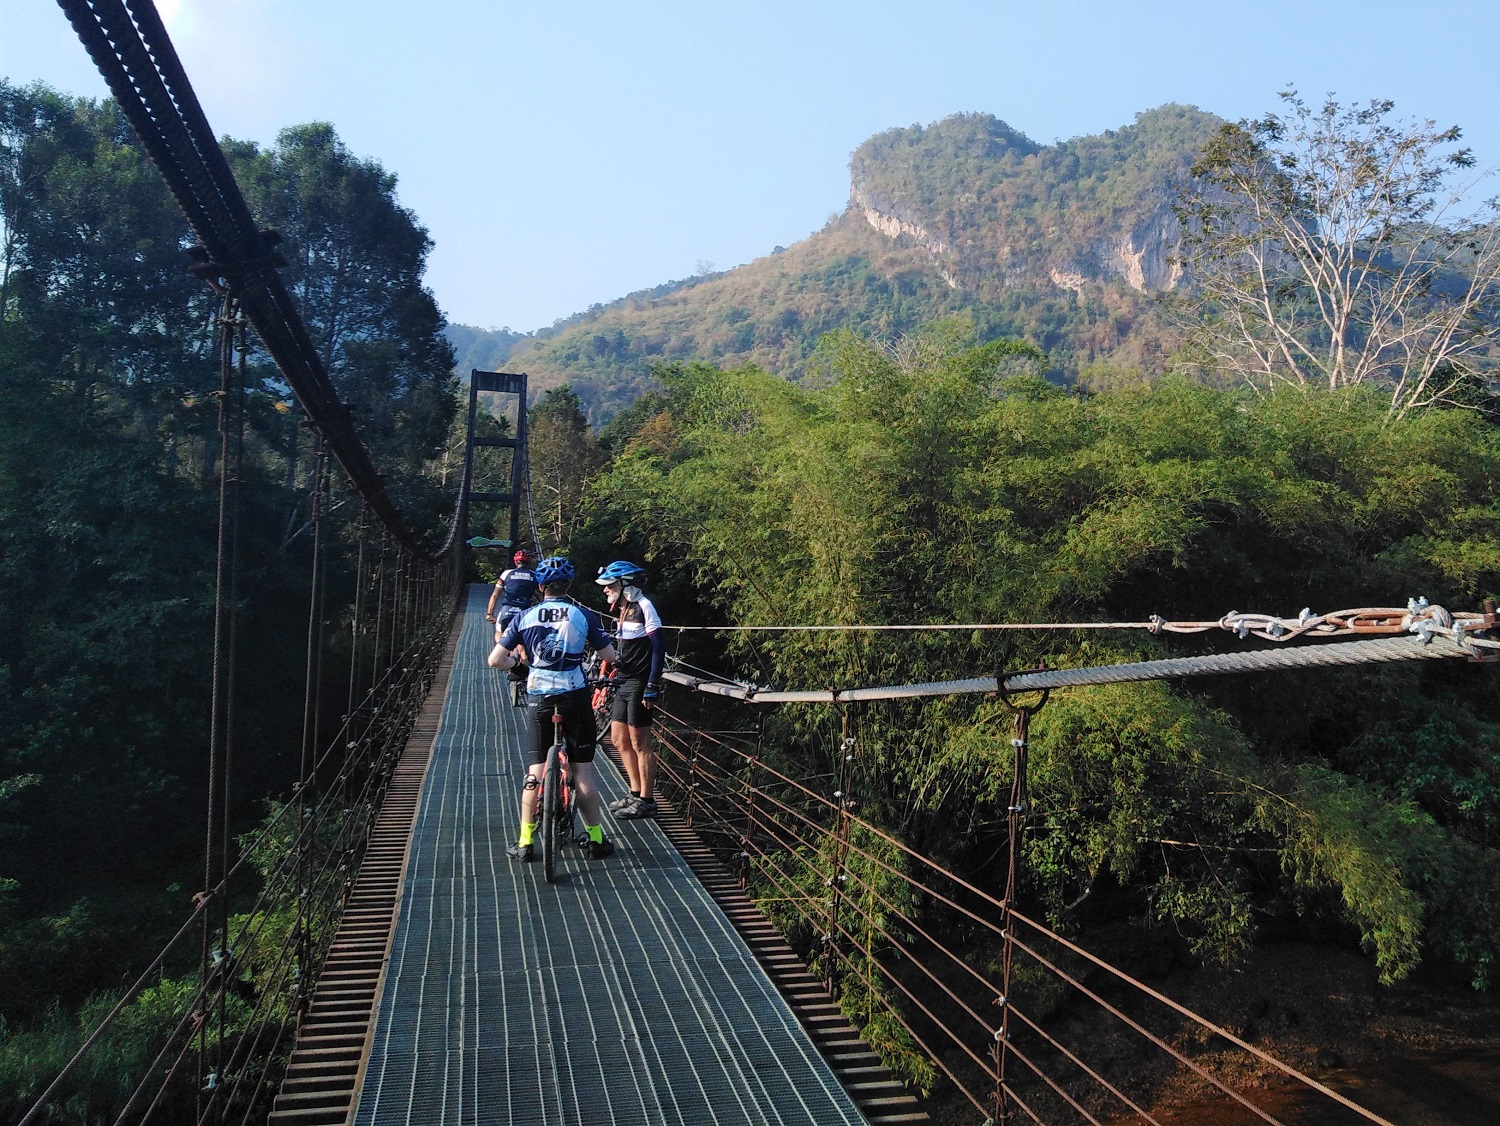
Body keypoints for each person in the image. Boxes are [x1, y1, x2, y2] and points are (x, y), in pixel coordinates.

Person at [489, 556, 620, 861]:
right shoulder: (582, 615)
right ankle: (597, 840)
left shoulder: (525, 617)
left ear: (540, 586)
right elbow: (610, 655)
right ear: (568, 586)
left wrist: (520, 666)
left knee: (535, 772)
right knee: (583, 771)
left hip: (539, 697)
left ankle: (524, 843)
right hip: (574, 696)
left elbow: (495, 660)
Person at [595, 560, 664, 819]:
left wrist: (652, 685)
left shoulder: (645, 607)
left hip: (639, 682)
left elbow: (659, 647)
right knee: (618, 739)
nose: (605, 590)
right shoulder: (623, 609)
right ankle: (634, 793)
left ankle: (647, 800)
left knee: (640, 743)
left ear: (626, 585)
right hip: (622, 680)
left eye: (610, 585)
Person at [486, 548, 539, 634]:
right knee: (522, 642)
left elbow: (495, 595)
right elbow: (542, 595)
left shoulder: (506, 573)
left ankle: (503, 646)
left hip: (507, 608)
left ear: (515, 562)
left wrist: (489, 614)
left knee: (499, 634)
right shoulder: (535, 575)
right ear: (529, 562)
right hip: (525, 610)